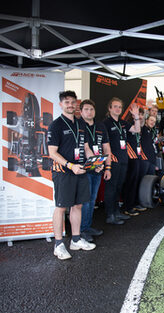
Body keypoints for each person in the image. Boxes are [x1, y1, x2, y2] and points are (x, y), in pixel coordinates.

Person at [47, 90, 98, 260]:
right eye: (66, 102)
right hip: (64, 172)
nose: (70, 105)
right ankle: (58, 244)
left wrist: (95, 163)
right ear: (61, 104)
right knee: (61, 207)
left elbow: (86, 148)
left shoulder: (81, 124)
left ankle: (76, 240)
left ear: (77, 104)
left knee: (78, 205)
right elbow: (52, 153)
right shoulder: (56, 125)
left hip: (81, 171)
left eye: (72, 102)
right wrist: (70, 165)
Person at [102, 97, 140, 224]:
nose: (118, 109)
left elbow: (137, 130)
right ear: (110, 108)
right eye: (115, 106)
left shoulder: (122, 123)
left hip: (124, 159)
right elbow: (103, 144)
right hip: (112, 160)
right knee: (111, 188)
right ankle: (110, 214)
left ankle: (116, 212)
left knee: (119, 187)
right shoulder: (105, 123)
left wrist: (136, 116)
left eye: (120, 107)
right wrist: (108, 160)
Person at [79, 99, 111, 242]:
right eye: (86, 109)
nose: (89, 112)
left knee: (92, 200)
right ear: (80, 112)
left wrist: (108, 167)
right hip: (83, 169)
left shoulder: (100, 126)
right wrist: (95, 163)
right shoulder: (78, 125)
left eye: (91, 109)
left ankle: (87, 225)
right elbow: (86, 148)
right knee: (84, 200)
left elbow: (106, 148)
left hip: (97, 169)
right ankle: (81, 230)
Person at [122, 108, 147, 215]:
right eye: (138, 114)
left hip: (137, 156)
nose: (140, 117)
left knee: (136, 181)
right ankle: (128, 206)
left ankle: (134, 203)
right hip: (130, 157)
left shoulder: (140, 126)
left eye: (141, 115)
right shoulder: (128, 125)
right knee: (130, 182)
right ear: (132, 115)